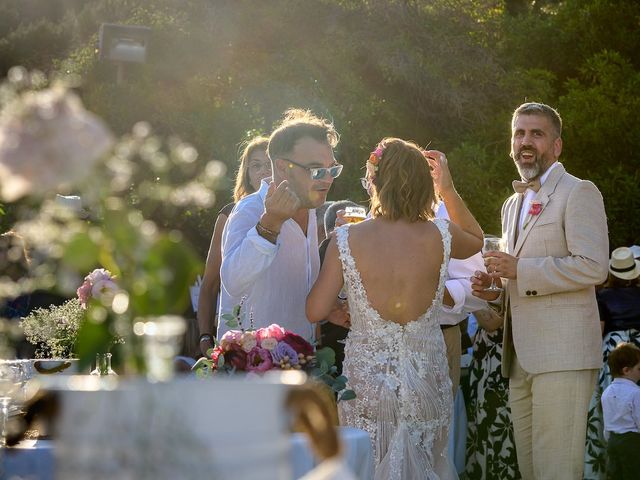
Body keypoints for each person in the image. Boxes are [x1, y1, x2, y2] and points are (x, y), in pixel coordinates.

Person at [307, 138, 483, 479]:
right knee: (428, 462)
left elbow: (315, 310)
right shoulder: (441, 235)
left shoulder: (347, 239)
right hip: (428, 378)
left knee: (366, 467)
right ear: (424, 184)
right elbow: (476, 237)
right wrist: (448, 188)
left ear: (374, 181)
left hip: (368, 383)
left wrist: (344, 305)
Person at [472, 102, 609, 479]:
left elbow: (594, 265)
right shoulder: (511, 205)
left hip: (563, 356)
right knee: (532, 471)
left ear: (557, 145)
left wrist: (521, 269)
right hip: (519, 358)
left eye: (536, 133)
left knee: (557, 471)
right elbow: (519, 281)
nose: (526, 141)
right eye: (519, 133)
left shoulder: (578, 192)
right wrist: (494, 290)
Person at [218, 109, 342, 339]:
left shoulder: (310, 208)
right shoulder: (251, 209)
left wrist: (329, 308)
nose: (327, 178)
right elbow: (232, 282)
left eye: (332, 168)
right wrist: (270, 224)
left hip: (301, 363)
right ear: (283, 167)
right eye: (316, 170)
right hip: (253, 367)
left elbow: (295, 288)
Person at [197, 136, 271, 354]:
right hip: (238, 333)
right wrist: (204, 335)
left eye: (268, 164)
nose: (263, 171)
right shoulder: (231, 214)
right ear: (247, 174)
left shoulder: (297, 214)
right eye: (255, 166)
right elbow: (210, 282)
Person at [584, 246, 640, 479]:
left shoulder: (601, 297)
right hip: (638, 351)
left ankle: (607, 466)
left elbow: (597, 332)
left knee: (609, 405)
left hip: (614, 352)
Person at [463, 308, 521, 480]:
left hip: (503, 353)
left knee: (504, 419)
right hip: (488, 355)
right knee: (487, 416)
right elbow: (487, 324)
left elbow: (493, 322)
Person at [600, 342, 640, 480]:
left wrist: (609, 440)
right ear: (626, 370)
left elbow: (607, 422)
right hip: (632, 442)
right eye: (639, 369)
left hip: (613, 442)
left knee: (616, 475)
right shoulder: (636, 393)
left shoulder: (606, 393)